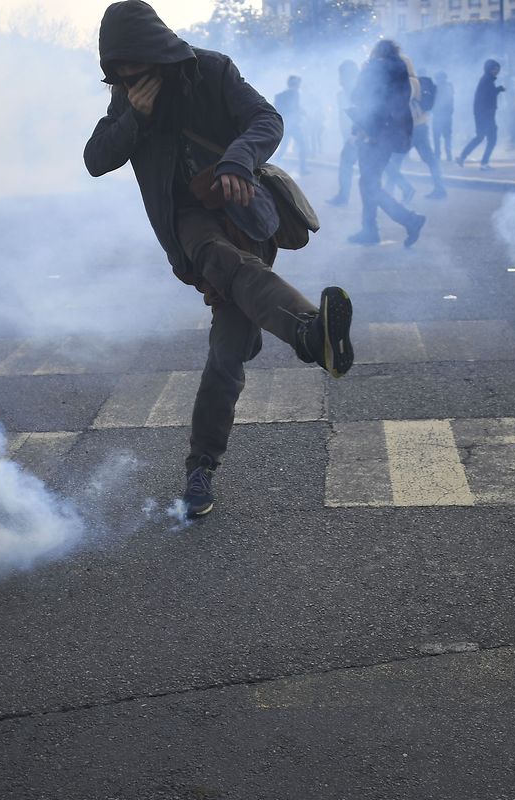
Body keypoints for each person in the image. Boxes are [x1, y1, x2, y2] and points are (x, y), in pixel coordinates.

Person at [84, 0, 354, 518]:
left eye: (133, 70)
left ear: (156, 54)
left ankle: (199, 470)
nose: (127, 80)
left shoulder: (212, 70)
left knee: (229, 352)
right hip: (187, 224)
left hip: (245, 214)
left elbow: (266, 119)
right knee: (218, 257)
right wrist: (135, 119)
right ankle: (307, 331)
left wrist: (239, 159)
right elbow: (96, 159)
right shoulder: (126, 99)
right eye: (117, 75)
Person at [347, 39, 426, 247]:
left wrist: (367, 130)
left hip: (373, 133)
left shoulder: (374, 67)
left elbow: (357, 96)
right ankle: (370, 230)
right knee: (370, 182)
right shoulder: (402, 72)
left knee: (368, 183)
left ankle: (408, 220)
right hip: (391, 135)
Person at [384, 56, 447, 201]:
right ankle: (440, 188)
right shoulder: (414, 81)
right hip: (420, 126)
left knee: (394, 161)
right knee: (429, 160)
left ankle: (390, 191)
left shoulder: (408, 83)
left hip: (409, 129)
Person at [456, 59, 504, 169]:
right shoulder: (486, 80)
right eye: (494, 69)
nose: (496, 71)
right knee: (491, 139)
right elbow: (487, 97)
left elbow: (488, 95)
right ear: (489, 69)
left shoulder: (487, 80)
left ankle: (462, 157)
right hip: (485, 115)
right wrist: (498, 90)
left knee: (480, 137)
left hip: (484, 115)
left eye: (497, 69)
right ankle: (484, 163)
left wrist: (498, 90)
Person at [328, 60, 360, 206]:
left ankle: (343, 197)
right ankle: (405, 187)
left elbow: (361, 115)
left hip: (357, 137)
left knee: (346, 166)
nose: (339, 78)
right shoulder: (343, 92)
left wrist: (354, 134)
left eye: (341, 74)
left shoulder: (357, 91)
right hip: (351, 136)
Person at [274, 75, 308, 175]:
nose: (299, 85)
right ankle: (302, 170)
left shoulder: (281, 95)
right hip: (292, 125)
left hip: (286, 124)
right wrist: (302, 113)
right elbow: (294, 108)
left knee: (284, 147)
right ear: (296, 84)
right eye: (298, 83)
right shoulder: (295, 93)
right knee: (302, 145)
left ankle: (274, 166)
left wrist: (302, 112)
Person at [432, 70, 454, 162]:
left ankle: (444, 155)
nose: (440, 80)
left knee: (443, 136)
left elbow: (451, 100)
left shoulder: (436, 87)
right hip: (441, 115)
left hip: (442, 115)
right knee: (443, 137)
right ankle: (442, 155)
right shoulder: (448, 86)